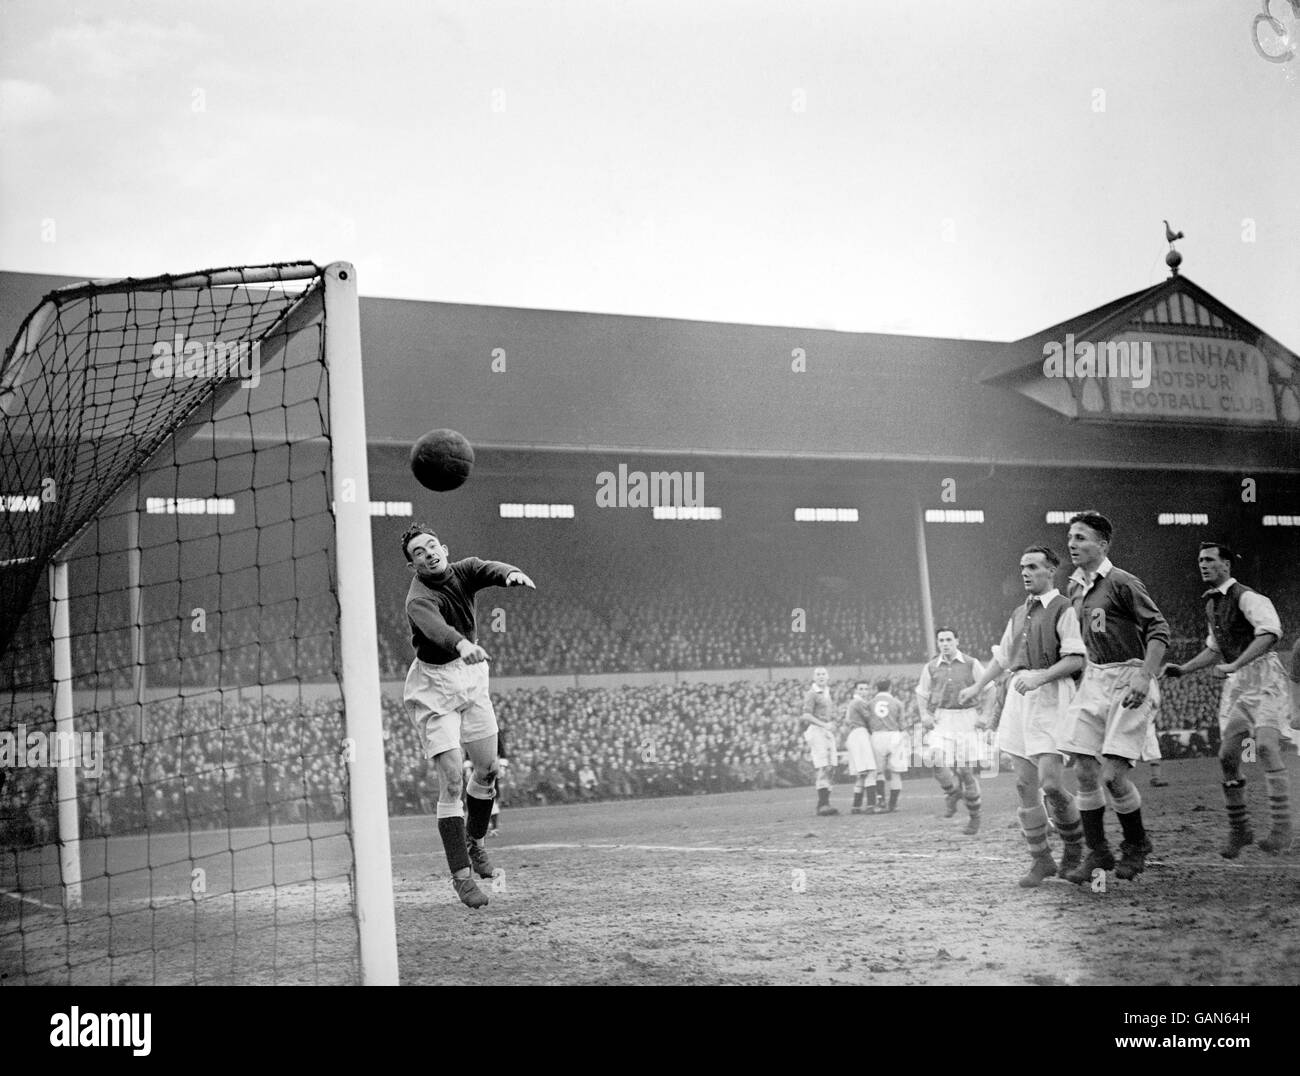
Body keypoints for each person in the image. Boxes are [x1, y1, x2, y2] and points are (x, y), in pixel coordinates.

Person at [401, 522, 535, 909]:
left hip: (472, 676)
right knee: (451, 779)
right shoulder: (418, 598)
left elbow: (487, 568)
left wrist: (508, 574)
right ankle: (460, 877)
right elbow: (435, 628)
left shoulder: (464, 569)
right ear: (414, 566)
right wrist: (461, 644)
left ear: (443, 546)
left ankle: (475, 843)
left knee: (488, 769)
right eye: (418, 554)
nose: (427, 554)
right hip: (434, 687)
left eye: (430, 546)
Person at [959, 545, 1086, 886]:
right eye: (1022, 568)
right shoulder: (1018, 613)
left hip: (1050, 696)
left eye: (1032, 567)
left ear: (1051, 571)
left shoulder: (1064, 609)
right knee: (1023, 784)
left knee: (1051, 785)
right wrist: (977, 687)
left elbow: (1076, 659)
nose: (1025, 573)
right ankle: (1041, 859)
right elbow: (1002, 658)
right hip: (1019, 699)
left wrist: (1040, 677)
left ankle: (1075, 846)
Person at [1057, 511, 1169, 883]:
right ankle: (1098, 852)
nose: (1073, 544)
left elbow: (1158, 629)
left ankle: (1136, 844)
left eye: (1082, 538)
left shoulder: (1123, 582)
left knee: (1112, 778)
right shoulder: (1075, 587)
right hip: (1095, 678)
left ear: (1102, 545)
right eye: (1071, 537)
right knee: (1083, 770)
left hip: (1129, 676)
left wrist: (1144, 674)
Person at [1161, 542, 1292, 856]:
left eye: (1209, 560)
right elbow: (1215, 648)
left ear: (1227, 566)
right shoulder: (1211, 605)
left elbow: (1270, 634)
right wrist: (1184, 669)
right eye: (1200, 561)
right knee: (1227, 757)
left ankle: (1281, 828)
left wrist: (1235, 664)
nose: (1203, 565)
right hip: (1238, 686)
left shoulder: (1248, 597)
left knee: (1264, 746)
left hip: (1265, 680)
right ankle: (1240, 830)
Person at [916, 628, 994, 835]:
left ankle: (974, 817)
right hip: (942, 718)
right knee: (934, 758)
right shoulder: (931, 666)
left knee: (966, 771)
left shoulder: (971, 663)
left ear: (957, 641)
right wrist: (924, 714)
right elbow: (922, 693)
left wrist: (986, 715)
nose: (945, 643)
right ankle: (952, 792)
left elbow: (989, 688)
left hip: (967, 718)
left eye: (949, 639)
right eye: (941, 640)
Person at [802, 666, 840, 816]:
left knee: (831, 766)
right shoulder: (812, 694)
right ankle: (823, 804)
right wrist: (824, 724)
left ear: (828, 676)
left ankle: (824, 803)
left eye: (823, 674)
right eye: (818, 674)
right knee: (823, 765)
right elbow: (806, 715)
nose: (821, 676)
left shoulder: (827, 692)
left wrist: (831, 724)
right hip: (817, 730)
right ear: (814, 677)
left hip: (826, 730)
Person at [867, 677, 908, 813]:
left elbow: (868, 720)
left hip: (877, 736)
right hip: (894, 735)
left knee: (879, 772)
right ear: (890, 688)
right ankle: (893, 804)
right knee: (895, 773)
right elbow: (902, 724)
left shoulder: (871, 703)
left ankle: (881, 800)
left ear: (877, 689)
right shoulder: (897, 702)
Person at [844, 680, 878, 814]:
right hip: (860, 735)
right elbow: (869, 718)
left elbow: (847, 720)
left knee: (861, 775)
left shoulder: (853, 703)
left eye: (866, 689)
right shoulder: (859, 702)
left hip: (854, 735)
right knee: (871, 771)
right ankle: (871, 805)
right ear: (856, 691)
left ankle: (856, 806)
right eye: (861, 689)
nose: (864, 691)